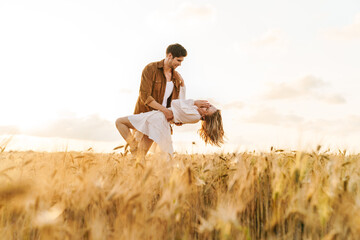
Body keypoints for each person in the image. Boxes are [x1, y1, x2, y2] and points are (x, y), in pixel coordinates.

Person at [130, 43, 203, 156]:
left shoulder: (176, 78)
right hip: (144, 115)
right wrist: (165, 111)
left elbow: (178, 102)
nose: (180, 64)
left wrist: (177, 116)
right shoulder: (151, 69)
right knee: (136, 153)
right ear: (170, 56)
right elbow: (145, 96)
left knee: (153, 154)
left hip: (161, 120)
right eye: (178, 60)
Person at [115, 86, 224, 159]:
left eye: (208, 108)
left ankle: (133, 147)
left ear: (204, 116)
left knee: (120, 122)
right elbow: (180, 108)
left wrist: (194, 102)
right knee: (140, 156)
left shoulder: (195, 116)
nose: (207, 105)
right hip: (159, 122)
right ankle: (138, 174)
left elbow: (176, 104)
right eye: (210, 105)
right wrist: (183, 86)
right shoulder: (194, 112)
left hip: (157, 119)